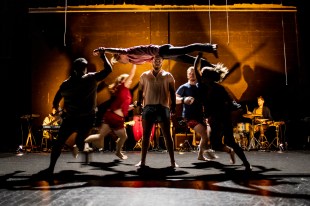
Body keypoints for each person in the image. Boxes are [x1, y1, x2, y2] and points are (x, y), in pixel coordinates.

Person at [38, 50, 113, 176]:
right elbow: (108, 69)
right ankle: (82, 148)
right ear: (84, 69)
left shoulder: (66, 84)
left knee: (60, 143)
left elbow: (55, 102)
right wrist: (102, 55)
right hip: (84, 119)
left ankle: (51, 168)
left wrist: (61, 113)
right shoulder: (90, 78)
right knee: (75, 142)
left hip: (74, 119)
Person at [194, 52, 252, 172]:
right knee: (228, 141)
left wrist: (199, 57)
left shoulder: (209, 87)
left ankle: (245, 162)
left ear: (207, 77)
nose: (200, 76)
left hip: (218, 118)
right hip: (222, 117)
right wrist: (199, 57)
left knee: (219, 144)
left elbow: (228, 101)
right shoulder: (208, 86)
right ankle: (246, 163)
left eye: (203, 75)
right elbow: (196, 69)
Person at [83, 64, 137, 160]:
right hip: (112, 116)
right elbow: (132, 74)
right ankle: (83, 143)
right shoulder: (122, 87)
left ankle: (118, 152)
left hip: (118, 119)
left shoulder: (127, 92)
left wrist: (133, 106)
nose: (131, 80)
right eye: (128, 79)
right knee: (107, 137)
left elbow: (124, 108)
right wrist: (135, 62)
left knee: (122, 137)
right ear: (123, 81)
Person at [135, 55, 178, 168]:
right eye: (155, 60)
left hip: (163, 108)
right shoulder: (144, 75)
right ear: (152, 61)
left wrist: (173, 104)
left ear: (162, 62)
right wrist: (139, 104)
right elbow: (139, 91)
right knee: (146, 135)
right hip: (148, 107)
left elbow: (173, 92)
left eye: (159, 60)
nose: (157, 61)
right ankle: (142, 161)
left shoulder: (168, 75)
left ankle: (173, 162)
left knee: (167, 135)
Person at [176, 66, 218, 161]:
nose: (191, 75)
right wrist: (183, 99)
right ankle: (205, 152)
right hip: (189, 117)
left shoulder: (200, 86)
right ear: (187, 75)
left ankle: (201, 155)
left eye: (193, 73)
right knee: (204, 134)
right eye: (190, 73)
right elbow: (175, 99)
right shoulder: (184, 87)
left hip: (200, 115)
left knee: (207, 134)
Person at [93, 43, 219, 67]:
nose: (123, 63)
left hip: (162, 50)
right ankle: (212, 66)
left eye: (121, 61)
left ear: (120, 56)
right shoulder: (134, 61)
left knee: (187, 49)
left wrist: (102, 50)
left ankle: (210, 47)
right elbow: (150, 60)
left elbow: (117, 50)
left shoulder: (129, 52)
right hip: (164, 55)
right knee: (190, 61)